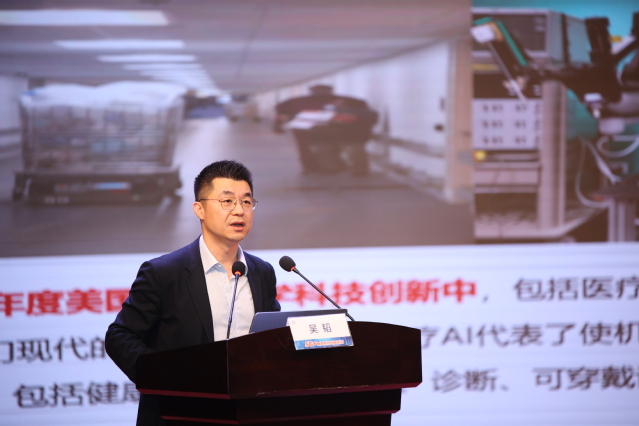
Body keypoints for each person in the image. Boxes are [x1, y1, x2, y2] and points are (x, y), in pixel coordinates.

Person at [105, 160, 280, 426]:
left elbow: (271, 340)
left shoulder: (262, 272)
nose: (239, 210)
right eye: (227, 201)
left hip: (248, 414)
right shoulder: (163, 273)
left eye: (246, 202)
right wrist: (165, 378)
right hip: (179, 414)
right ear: (199, 209)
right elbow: (119, 336)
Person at [274, 84, 378, 175]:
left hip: (314, 132)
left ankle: (316, 168)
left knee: (310, 149)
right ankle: (327, 167)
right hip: (321, 132)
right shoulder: (350, 100)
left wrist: (277, 125)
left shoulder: (296, 102)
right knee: (320, 149)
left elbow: (281, 112)